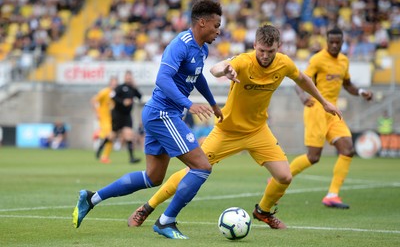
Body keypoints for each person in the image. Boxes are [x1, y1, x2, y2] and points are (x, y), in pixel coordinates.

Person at [126, 24, 342, 230]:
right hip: (227, 131)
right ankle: (147, 208)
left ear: (279, 48)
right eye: (262, 50)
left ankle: (263, 211)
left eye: (271, 51)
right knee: (193, 169)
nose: (265, 56)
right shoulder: (243, 61)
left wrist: (324, 102)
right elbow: (216, 69)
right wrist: (225, 69)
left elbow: (302, 79)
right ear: (255, 45)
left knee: (285, 176)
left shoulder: (284, 63)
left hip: (258, 131)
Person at [72, 0, 224, 239]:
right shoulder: (180, 44)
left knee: (153, 177)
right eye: (216, 25)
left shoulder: (202, 49)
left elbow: (198, 77)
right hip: (163, 113)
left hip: (160, 114)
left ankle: (92, 198)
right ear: (202, 22)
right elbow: (162, 79)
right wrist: (188, 104)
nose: (219, 30)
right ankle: (166, 221)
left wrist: (214, 104)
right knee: (202, 167)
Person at [289, 27, 373, 209]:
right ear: (327, 42)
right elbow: (300, 80)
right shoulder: (317, 59)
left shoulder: (344, 61)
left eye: (338, 42)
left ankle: (332, 195)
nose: (334, 45)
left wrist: (360, 91)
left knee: (348, 150)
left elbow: (348, 85)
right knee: (313, 157)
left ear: (342, 43)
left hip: (333, 111)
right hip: (316, 110)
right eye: (331, 42)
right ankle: (278, 178)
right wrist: (303, 97)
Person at [95, 70, 142, 164]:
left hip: (127, 116)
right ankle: (100, 148)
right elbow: (113, 97)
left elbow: (140, 97)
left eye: (130, 77)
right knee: (112, 135)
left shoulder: (133, 88)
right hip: (118, 115)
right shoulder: (120, 87)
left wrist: (136, 87)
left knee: (129, 135)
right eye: (127, 77)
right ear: (125, 78)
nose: (129, 79)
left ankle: (132, 158)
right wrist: (123, 102)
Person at [91, 76, 118, 163]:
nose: (114, 85)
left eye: (115, 84)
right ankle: (99, 134)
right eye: (113, 83)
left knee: (111, 137)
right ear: (110, 84)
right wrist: (97, 112)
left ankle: (105, 156)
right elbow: (94, 100)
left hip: (112, 118)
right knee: (109, 134)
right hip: (104, 118)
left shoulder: (116, 93)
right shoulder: (105, 92)